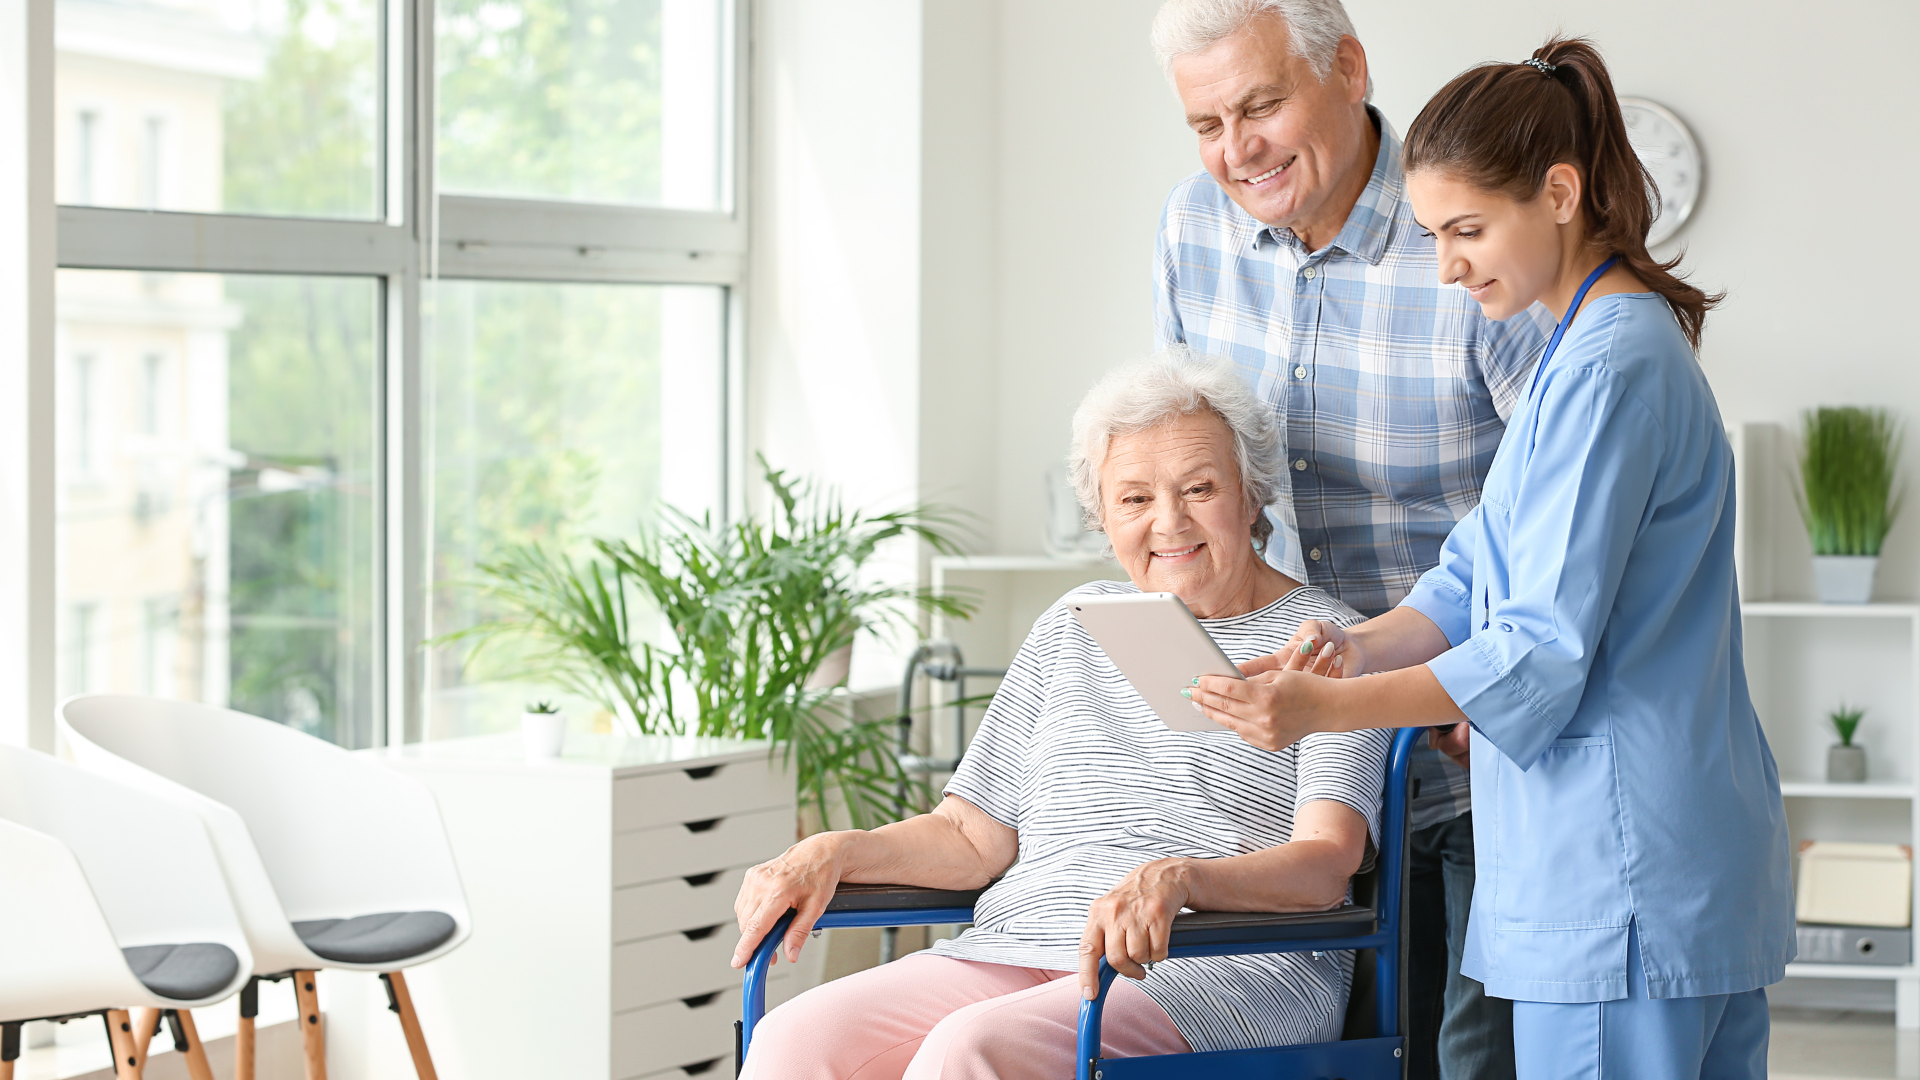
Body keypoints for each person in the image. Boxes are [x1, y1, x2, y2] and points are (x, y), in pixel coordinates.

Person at [1187, 37, 1795, 1080]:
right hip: (1668, 869)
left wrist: (1320, 713)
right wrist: (1342, 647)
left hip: (1620, 878)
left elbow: (1535, 654)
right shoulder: (1587, 353)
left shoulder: (1609, 367)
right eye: (1430, 235)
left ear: (1559, 194)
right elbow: (1473, 575)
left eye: (1467, 230)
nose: (1450, 265)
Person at [729, 354, 1392, 1080]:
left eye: (1198, 488)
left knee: (971, 1049)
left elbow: (1327, 866)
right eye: (1134, 499)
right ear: (1101, 516)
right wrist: (832, 850)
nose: (1169, 522)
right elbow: (969, 835)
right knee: (793, 1041)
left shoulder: (1332, 643)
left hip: (1216, 966)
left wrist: (1182, 880)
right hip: (1020, 945)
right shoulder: (1077, 625)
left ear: (1252, 493)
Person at [1148, 2, 1549, 1075]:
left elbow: (1554, 504)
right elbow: (1201, 479)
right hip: (1296, 769)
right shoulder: (1193, 232)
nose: (1238, 151)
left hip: (1469, 748)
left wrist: (1476, 683)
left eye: (1263, 105)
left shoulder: (1462, 233)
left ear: (1351, 69)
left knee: (1465, 1058)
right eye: (1206, 124)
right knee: (1329, 1053)